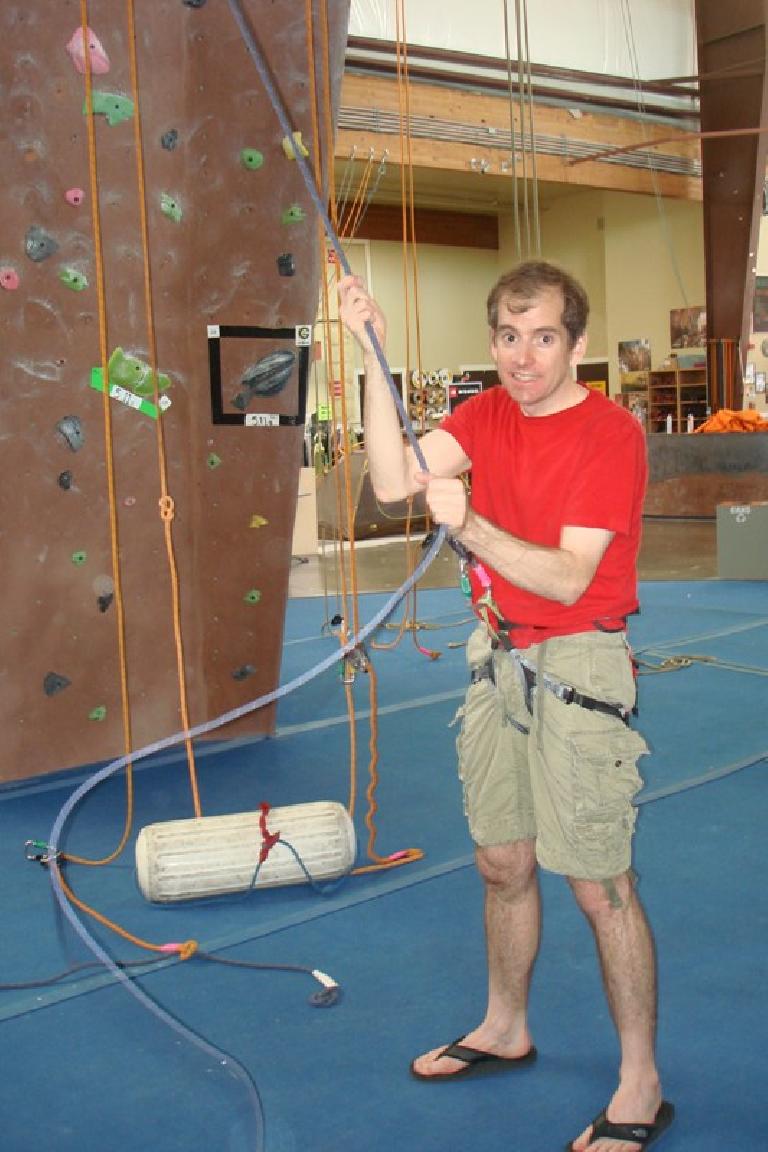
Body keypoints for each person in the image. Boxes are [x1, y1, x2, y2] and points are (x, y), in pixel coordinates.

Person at [338, 260, 674, 1152]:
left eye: (544, 337)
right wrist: (371, 356)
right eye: (509, 337)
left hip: (580, 663)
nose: (524, 357)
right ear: (492, 343)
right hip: (499, 660)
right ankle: (504, 1025)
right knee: (501, 861)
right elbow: (392, 481)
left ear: (578, 345)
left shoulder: (611, 433)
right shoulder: (485, 413)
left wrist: (472, 523)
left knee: (600, 886)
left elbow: (569, 578)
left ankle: (639, 1076)